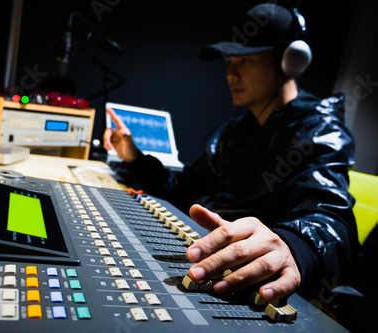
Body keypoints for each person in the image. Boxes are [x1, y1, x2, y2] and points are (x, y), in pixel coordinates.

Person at [103, 3, 362, 303]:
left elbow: (331, 220)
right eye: (230, 60)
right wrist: (134, 157)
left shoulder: (320, 132)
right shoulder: (230, 134)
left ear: (290, 62)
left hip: (253, 287)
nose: (229, 73)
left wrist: (294, 246)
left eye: (245, 60)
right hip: (206, 261)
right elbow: (184, 188)